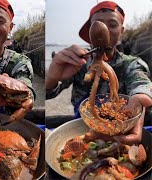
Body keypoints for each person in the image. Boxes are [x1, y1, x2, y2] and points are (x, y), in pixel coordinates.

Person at [45, 1, 152, 144]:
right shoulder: (78, 62)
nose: (105, 30)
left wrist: (139, 99)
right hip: (82, 125)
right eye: (98, 25)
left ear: (121, 31)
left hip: (119, 126)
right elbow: (49, 93)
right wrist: (52, 77)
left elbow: (141, 82)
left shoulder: (132, 64)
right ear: (90, 32)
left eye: (112, 24)